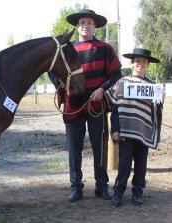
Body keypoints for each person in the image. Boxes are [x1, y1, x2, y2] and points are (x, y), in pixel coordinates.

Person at [51, 9, 122, 202]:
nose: (85, 25)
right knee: (74, 149)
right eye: (82, 22)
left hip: (96, 105)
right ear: (77, 25)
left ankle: (101, 186)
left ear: (95, 26)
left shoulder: (106, 49)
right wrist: (60, 84)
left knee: (99, 148)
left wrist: (102, 89)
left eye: (89, 22)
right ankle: (76, 187)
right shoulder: (67, 49)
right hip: (72, 105)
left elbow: (116, 75)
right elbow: (52, 71)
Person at [106, 48, 163, 207]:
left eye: (144, 61)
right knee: (124, 164)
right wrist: (115, 129)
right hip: (125, 131)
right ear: (132, 63)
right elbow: (114, 108)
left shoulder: (152, 86)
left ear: (148, 65)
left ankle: (137, 192)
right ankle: (118, 192)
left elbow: (156, 111)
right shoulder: (121, 83)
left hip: (143, 132)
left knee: (141, 164)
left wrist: (160, 100)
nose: (140, 64)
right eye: (137, 60)